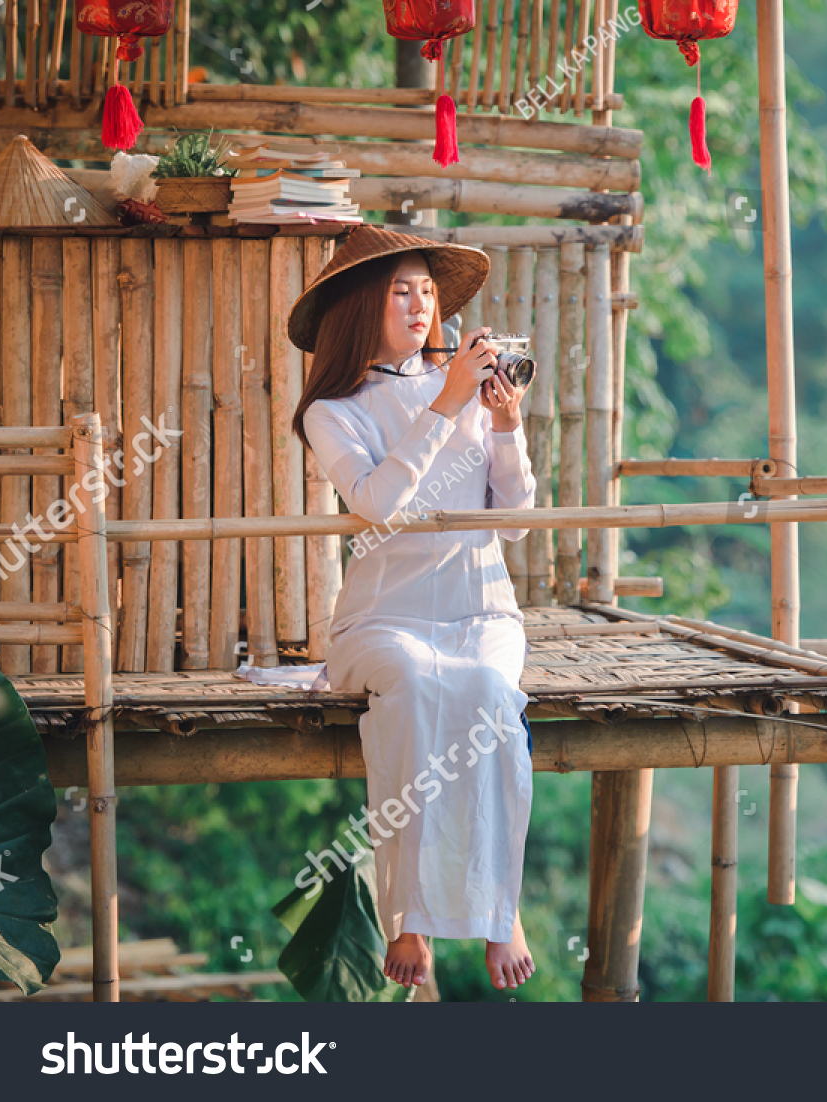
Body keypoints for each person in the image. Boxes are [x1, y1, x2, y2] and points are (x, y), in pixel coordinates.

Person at [287, 224, 536, 992]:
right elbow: (380, 506)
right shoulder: (332, 410)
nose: (421, 304)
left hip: (481, 611)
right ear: (363, 303)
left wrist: (504, 424)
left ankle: (500, 911)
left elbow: (516, 516)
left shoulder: (463, 385)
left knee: (491, 694)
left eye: (428, 289)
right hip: (383, 620)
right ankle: (412, 914)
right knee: (419, 689)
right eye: (402, 289)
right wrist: (448, 401)